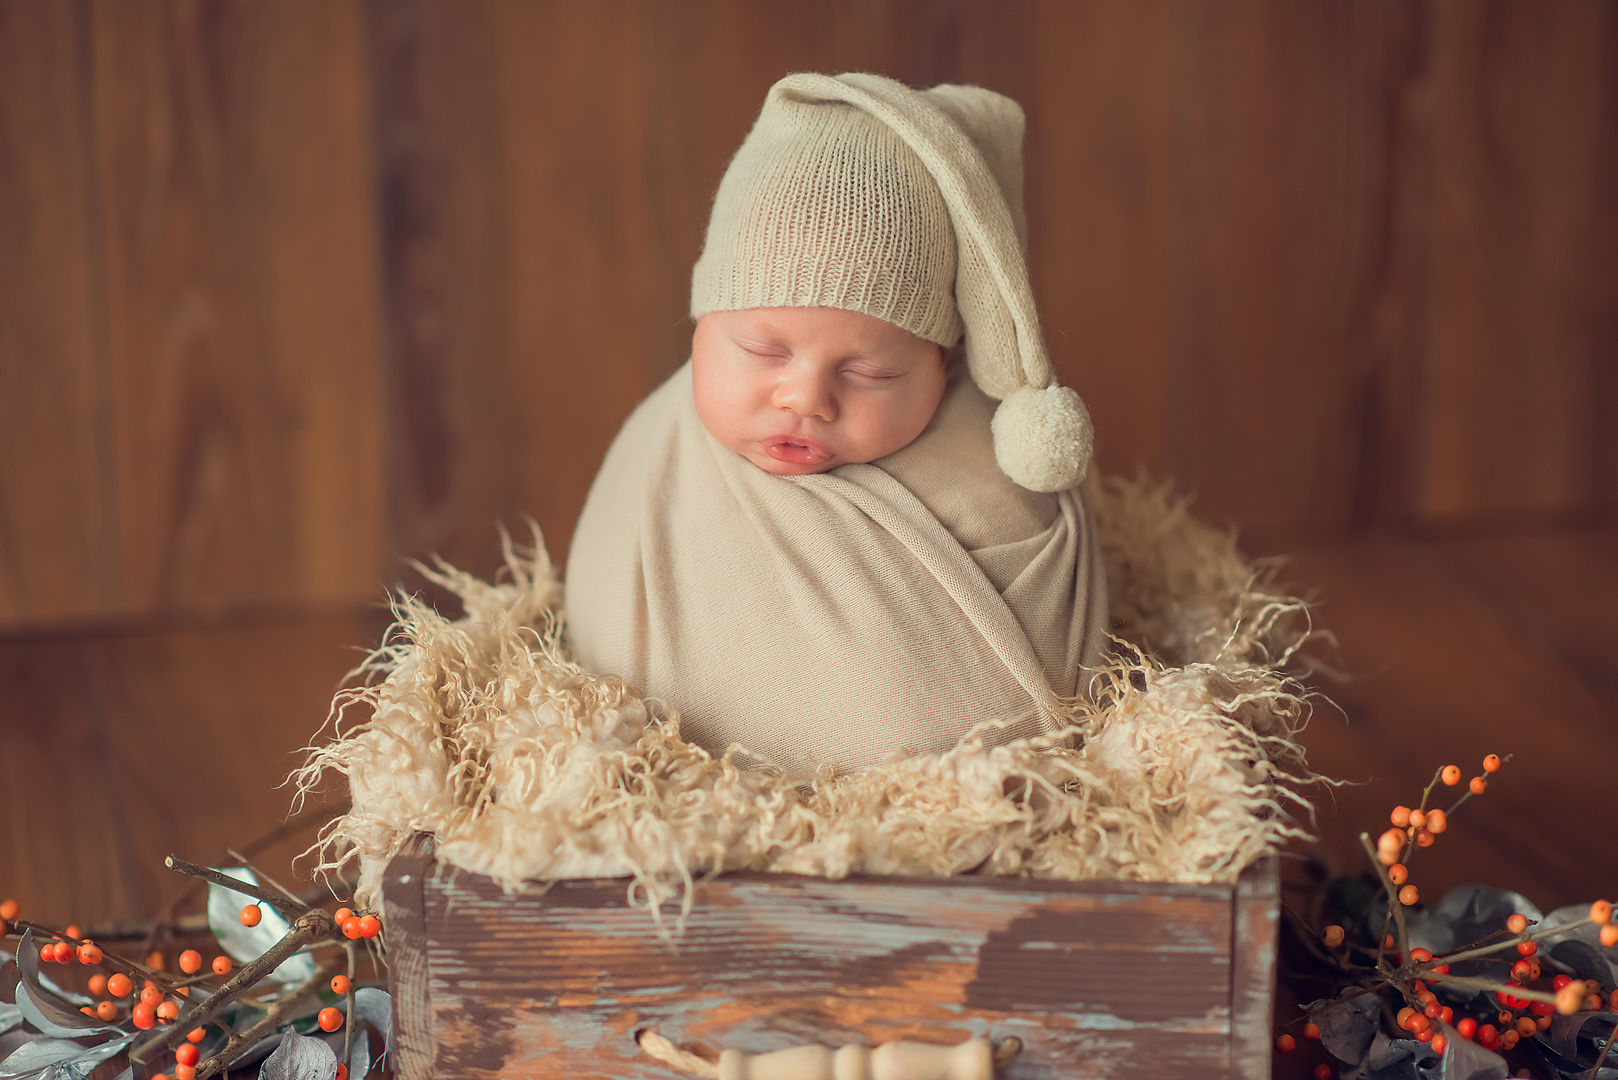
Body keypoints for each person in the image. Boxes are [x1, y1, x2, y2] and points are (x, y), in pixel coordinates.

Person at [564, 72, 1109, 776]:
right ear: (702, 326)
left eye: (871, 373)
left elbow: (1034, 685)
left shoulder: (989, 474)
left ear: (943, 365)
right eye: (764, 351)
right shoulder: (656, 448)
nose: (806, 399)